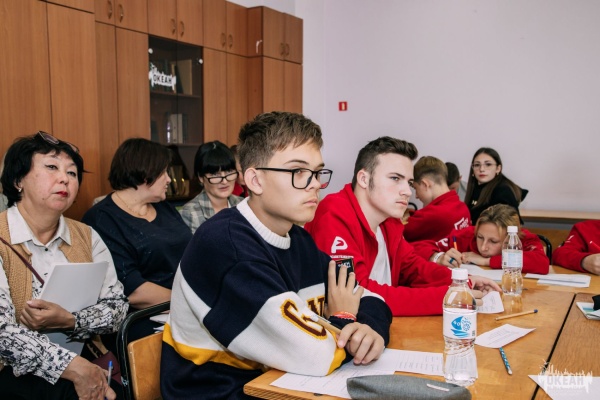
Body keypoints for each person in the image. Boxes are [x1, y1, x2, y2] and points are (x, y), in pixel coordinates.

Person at [161, 112, 392, 399]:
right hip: (220, 392)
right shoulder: (225, 247)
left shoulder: (297, 238)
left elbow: (370, 296)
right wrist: (344, 318)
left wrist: (369, 329)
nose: (314, 184)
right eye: (298, 172)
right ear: (255, 180)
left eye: (317, 172)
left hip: (276, 383)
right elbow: (314, 356)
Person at [305, 136, 501, 316]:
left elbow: (414, 267)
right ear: (364, 179)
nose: (407, 191)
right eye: (395, 179)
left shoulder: (388, 219)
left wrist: (462, 281)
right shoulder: (334, 213)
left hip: (380, 325)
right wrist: (448, 297)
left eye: (409, 182)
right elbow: (360, 293)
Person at [0, 132, 128, 400]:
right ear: (18, 180)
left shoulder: (87, 236)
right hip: (11, 372)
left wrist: (71, 320)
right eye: (51, 167)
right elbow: (2, 333)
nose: (65, 179)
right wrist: (72, 367)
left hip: (83, 357)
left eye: (72, 173)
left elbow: (117, 308)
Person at [82, 138, 192, 339]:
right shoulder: (102, 219)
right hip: (143, 318)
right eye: (164, 172)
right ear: (145, 172)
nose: (169, 179)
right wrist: (192, 303)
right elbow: (133, 291)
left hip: (184, 304)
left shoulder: (163, 207)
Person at [411, 204, 549, 274]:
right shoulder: (466, 236)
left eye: (493, 241)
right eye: (480, 237)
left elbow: (542, 264)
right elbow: (416, 248)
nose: (483, 247)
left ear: (510, 239)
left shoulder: (523, 239)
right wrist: (438, 257)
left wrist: (486, 261)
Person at [180, 141, 243, 234]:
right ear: (201, 177)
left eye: (229, 172)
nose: (224, 181)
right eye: (215, 174)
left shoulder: (243, 204)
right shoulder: (190, 213)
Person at [403, 156, 470, 242]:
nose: (416, 196)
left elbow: (395, 233)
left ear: (425, 184)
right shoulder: (463, 207)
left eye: (416, 188)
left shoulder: (432, 215)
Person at [464, 147, 527, 224]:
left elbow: (509, 225)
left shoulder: (503, 191)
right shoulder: (475, 187)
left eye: (488, 164)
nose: (481, 169)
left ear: (498, 168)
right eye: (477, 165)